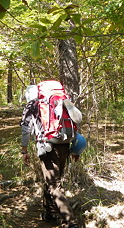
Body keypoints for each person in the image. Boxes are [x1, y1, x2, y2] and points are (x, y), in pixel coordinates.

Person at [20, 85, 79, 228]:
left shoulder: (33, 105)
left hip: (48, 148)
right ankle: (49, 212)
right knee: (51, 180)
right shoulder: (59, 101)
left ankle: (70, 222)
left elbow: (25, 129)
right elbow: (75, 122)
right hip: (65, 144)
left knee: (53, 184)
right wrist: (76, 149)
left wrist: (24, 150)